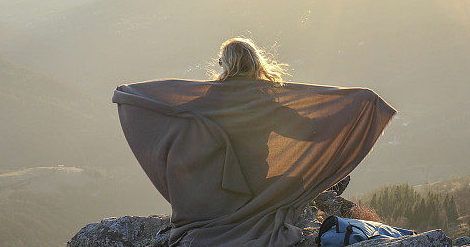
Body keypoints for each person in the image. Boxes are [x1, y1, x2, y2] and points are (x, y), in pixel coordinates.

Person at [113, 37, 396, 246]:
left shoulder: (207, 100)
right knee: (297, 183)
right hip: (254, 187)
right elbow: (311, 131)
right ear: (256, 64)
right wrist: (353, 109)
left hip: (210, 192)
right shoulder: (267, 102)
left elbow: (163, 107)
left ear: (225, 66)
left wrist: (128, 96)